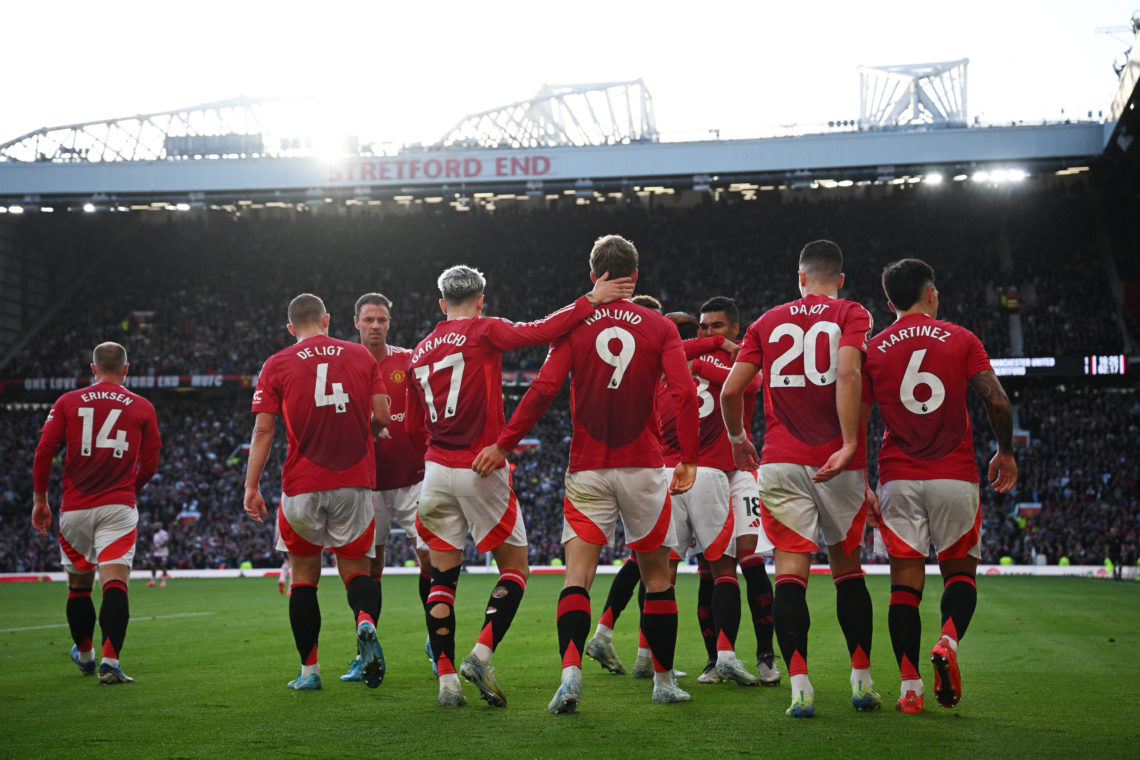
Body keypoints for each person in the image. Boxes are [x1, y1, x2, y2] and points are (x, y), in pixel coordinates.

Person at [473, 234, 700, 711]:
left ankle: (571, 676)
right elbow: (682, 393)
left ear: (592, 273)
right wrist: (690, 458)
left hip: (588, 468)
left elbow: (541, 391)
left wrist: (504, 443)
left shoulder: (575, 328)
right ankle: (662, 682)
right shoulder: (660, 328)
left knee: (577, 578)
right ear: (635, 277)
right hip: (643, 465)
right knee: (657, 577)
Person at [408, 264, 634, 708]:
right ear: (480, 301)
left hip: (434, 471)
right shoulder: (484, 330)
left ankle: (447, 682)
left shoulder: (420, 351)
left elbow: (418, 425)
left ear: (441, 304)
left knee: (442, 578)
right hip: (480, 465)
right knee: (515, 568)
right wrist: (591, 298)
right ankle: (481, 653)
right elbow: (541, 331)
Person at [721, 239, 880, 718]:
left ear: (800, 278)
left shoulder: (767, 321)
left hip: (780, 461)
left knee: (790, 576)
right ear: (841, 279)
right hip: (838, 462)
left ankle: (799, 687)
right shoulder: (853, 314)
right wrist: (850, 444)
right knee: (848, 572)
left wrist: (737, 439)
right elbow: (849, 372)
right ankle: (861, 681)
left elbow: (731, 390)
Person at [863, 258, 1017, 713]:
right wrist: (1004, 451)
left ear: (890, 302)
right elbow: (997, 400)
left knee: (903, 587)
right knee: (960, 573)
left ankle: (909, 689)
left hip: (898, 478)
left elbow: (857, 415)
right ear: (931, 294)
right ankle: (947, 641)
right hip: (955, 475)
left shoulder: (874, 349)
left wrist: (861, 480)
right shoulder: (962, 338)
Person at [243, 293, 392, 691]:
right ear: (327, 319)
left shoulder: (276, 363)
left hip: (302, 484)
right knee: (357, 572)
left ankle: (309, 672)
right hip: (355, 482)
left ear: (291, 327)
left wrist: (251, 485)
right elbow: (381, 416)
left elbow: (263, 430)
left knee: (304, 579)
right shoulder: (362, 357)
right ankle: (364, 620)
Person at [31, 341, 161, 685]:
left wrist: (40, 500)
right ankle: (110, 661)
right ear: (126, 369)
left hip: (74, 508)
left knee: (78, 587)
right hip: (117, 508)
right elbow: (150, 463)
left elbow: (45, 450)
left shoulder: (67, 402)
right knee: (115, 581)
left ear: (92, 368)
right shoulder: (143, 406)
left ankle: (86, 655)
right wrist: (131, 488)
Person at [341, 292, 433, 683]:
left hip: (414, 479)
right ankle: (365, 652)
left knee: (430, 559)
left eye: (382, 319)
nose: (375, 326)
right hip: (368, 485)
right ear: (356, 322)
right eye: (369, 320)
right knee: (371, 566)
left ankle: (436, 640)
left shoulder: (409, 360)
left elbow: (430, 406)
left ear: (389, 323)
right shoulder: (344, 364)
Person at [688, 296, 779, 686]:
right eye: (704, 327)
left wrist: (710, 355)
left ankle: (765, 657)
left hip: (740, 472)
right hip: (704, 473)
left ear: (736, 328)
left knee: (751, 560)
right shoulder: (691, 357)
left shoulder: (745, 360)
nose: (709, 333)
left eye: (717, 327)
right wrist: (709, 350)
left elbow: (752, 380)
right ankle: (715, 659)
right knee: (710, 567)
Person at [146, 521, 170, 587]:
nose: (155, 527)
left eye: (156, 526)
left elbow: (166, 541)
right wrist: (152, 550)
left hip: (163, 553)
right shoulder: (155, 534)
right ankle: (153, 581)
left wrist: (158, 547)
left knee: (163, 566)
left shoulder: (164, 533)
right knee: (153, 566)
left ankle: (163, 582)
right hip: (156, 553)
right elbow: (155, 544)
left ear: (160, 526)